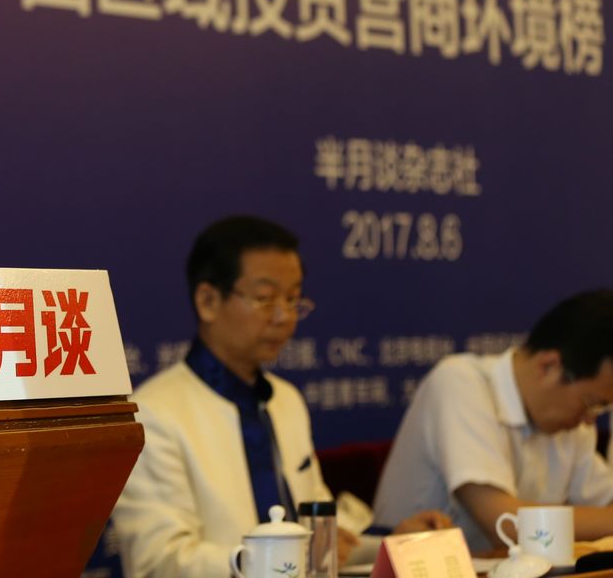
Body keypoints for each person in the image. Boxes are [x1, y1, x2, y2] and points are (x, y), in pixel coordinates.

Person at [112, 215, 448, 578]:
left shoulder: (285, 400)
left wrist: (394, 542)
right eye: (265, 299)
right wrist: (275, 559)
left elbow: (319, 540)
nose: (284, 317)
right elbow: (158, 562)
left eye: (292, 299)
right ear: (208, 301)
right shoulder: (153, 413)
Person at [373, 289, 613, 552]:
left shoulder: (571, 422)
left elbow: (605, 502)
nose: (590, 420)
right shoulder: (460, 383)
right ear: (548, 367)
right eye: (592, 402)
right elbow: (504, 524)